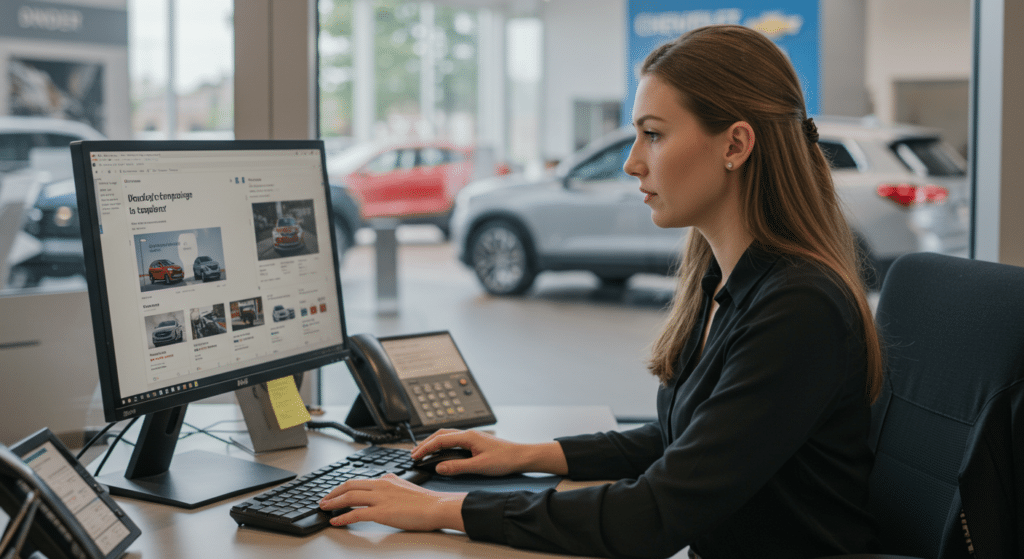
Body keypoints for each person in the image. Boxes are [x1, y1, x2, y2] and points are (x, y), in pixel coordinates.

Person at [319, 24, 883, 559]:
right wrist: (527, 455)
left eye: (654, 135)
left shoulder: (798, 308)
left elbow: (651, 516)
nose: (633, 162)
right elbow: (679, 440)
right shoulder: (727, 281)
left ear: (735, 144)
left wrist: (444, 508)